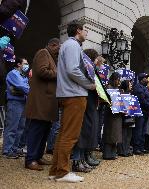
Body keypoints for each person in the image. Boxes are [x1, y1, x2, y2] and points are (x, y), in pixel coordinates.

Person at [49, 20, 96, 183]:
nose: (86, 33)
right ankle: (62, 172)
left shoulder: (68, 45)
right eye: (85, 30)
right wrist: (89, 84)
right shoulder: (73, 45)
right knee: (70, 135)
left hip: (67, 93)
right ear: (78, 30)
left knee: (63, 133)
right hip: (74, 94)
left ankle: (55, 170)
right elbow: (73, 70)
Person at [24, 38, 60, 170]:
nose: (59, 52)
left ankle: (38, 156)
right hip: (41, 101)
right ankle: (30, 159)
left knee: (44, 131)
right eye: (58, 48)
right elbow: (41, 71)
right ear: (53, 45)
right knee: (36, 130)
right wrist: (58, 73)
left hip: (47, 101)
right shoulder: (43, 53)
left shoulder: (50, 56)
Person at [72, 49, 101, 173]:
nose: (97, 63)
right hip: (85, 101)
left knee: (88, 131)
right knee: (82, 132)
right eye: (96, 60)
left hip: (90, 103)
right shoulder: (85, 66)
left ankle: (83, 158)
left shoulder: (90, 68)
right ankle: (77, 160)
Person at [2, 57, 29, 158]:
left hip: (22, 102)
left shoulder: (23, 76)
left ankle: (15, 148)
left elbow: (25, 87)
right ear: (19, 64)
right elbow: (23, 87)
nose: (27, 65)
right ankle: (7, 150)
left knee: (20, 127)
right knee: (12, 127)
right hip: (15, 102)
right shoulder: (13, 74)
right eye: (25, 63)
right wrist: (32, 92)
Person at [102, 72, 122, 160]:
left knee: (115, 135)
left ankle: (113, 153)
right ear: (114, 79)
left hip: (117, 114)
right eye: (118, 79)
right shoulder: (108, 88)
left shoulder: (117, 89)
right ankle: (107, 154)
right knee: (109, 134)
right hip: (110, 113)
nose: (119, 81)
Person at [132, 73, 149, 155]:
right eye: (145, 78)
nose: (147, 79)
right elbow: (142, 100)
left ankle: (141, 147)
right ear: (141, 79)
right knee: (138, 130)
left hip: (145, 112)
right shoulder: (138, 87)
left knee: (143, 131)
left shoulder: (144, 88)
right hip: (140, 112)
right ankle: (136, 148)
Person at [117, 80, 135, 157]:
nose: (131, 85)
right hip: (124, 117)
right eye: (129, 84)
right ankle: (123, 151)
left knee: (129, 135)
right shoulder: (122, 95)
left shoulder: (131, 95)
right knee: (124, 134)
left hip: (131, 117)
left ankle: (127, 150)